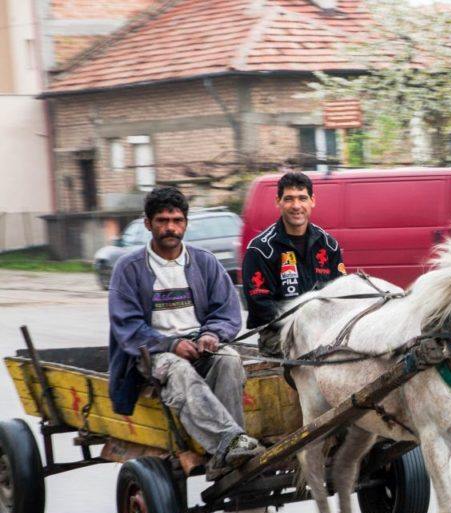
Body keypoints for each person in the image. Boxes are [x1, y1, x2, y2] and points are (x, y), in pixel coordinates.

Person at [108, 186, 264, 478]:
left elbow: (227, 311)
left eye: (177, 220)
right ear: (148, 223)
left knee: (229, 360)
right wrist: (170, 344)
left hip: (199, 344)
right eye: (162, 221)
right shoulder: (128, 269)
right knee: (178, 370)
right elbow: (126, 326)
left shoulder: (204, 262)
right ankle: (229, 444)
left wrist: (211, 334)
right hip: (151, 354)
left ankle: (224, 457)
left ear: (185, 223)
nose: (170, 227)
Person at [242, 171, 345, 356]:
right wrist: (304, 324)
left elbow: (341, 294)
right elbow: (260, 307)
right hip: (279, 336)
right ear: (278, 202)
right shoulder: (260, 249)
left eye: (302, 198)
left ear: (312, 200)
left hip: (325, 332)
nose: (296, 206)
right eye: (289, 199)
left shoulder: (328, 245)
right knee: (315, 355)